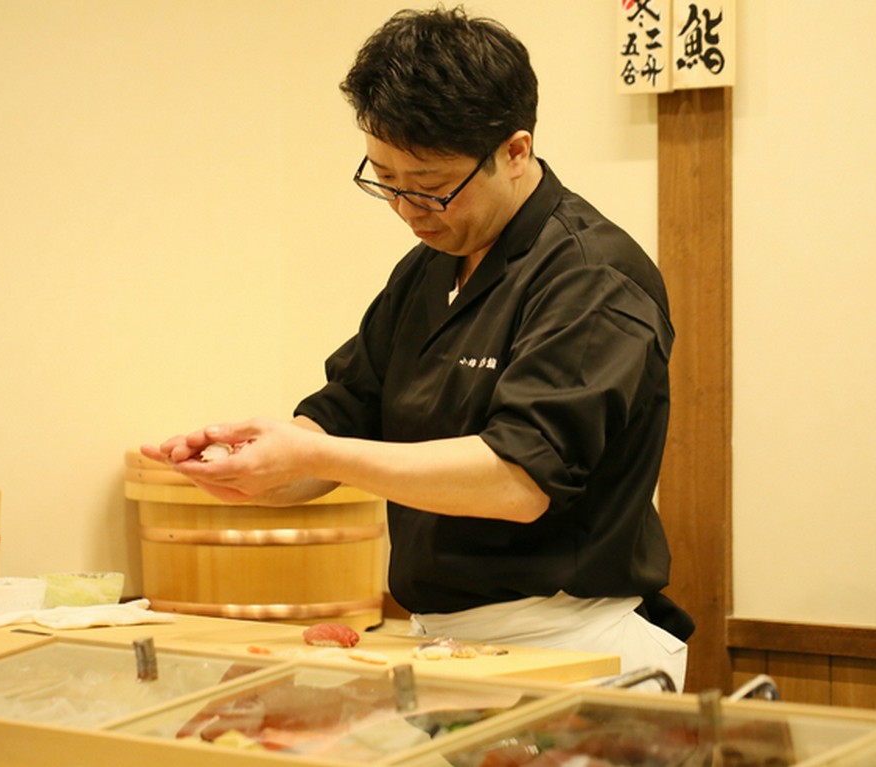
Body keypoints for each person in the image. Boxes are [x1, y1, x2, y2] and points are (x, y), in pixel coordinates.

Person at [143, 5, 692, 690]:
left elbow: (518, 480)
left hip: (568, 642)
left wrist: (314, 452)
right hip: (441, 642)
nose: (406, 209)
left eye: (431, 188)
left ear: (516, 151)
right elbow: (346, 415)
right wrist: (257, 466)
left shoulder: (591, 276)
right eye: (386, 180)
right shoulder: (430, 267)